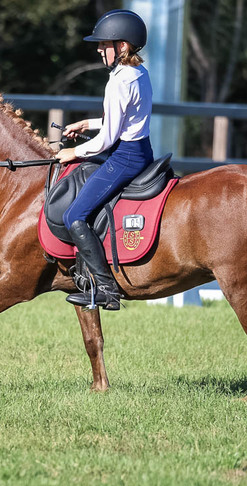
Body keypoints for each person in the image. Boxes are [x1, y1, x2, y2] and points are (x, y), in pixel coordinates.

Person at [56, 9, 153, 311]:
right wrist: (87, 123)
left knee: (74, 216)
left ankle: (107, 289)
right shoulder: (138, 73)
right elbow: (124, 119)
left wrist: (73, 152)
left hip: (124, 157)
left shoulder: (118, 82)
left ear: (122, 47)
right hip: (141, 149)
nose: (99, 49)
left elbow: (107, 140)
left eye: (104, 44)